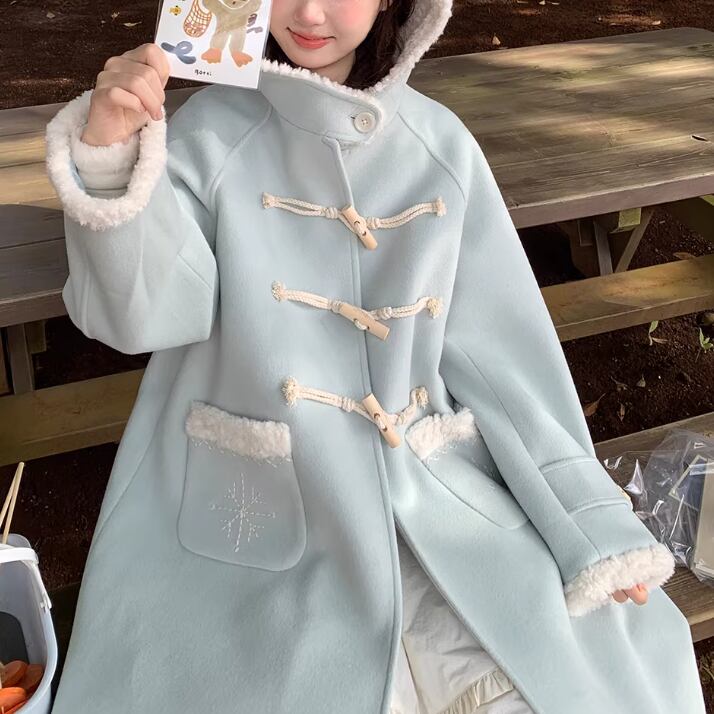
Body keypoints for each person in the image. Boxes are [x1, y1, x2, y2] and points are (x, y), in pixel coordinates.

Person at [44, 0, 706, 712]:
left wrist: (587, 520)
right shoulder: (207, 136)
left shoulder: (439, 145)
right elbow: (140, 317)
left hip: (429, 495)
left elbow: (506, 357)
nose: (310, 12)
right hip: (253, 500)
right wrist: (109, 159)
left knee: (574, 674)